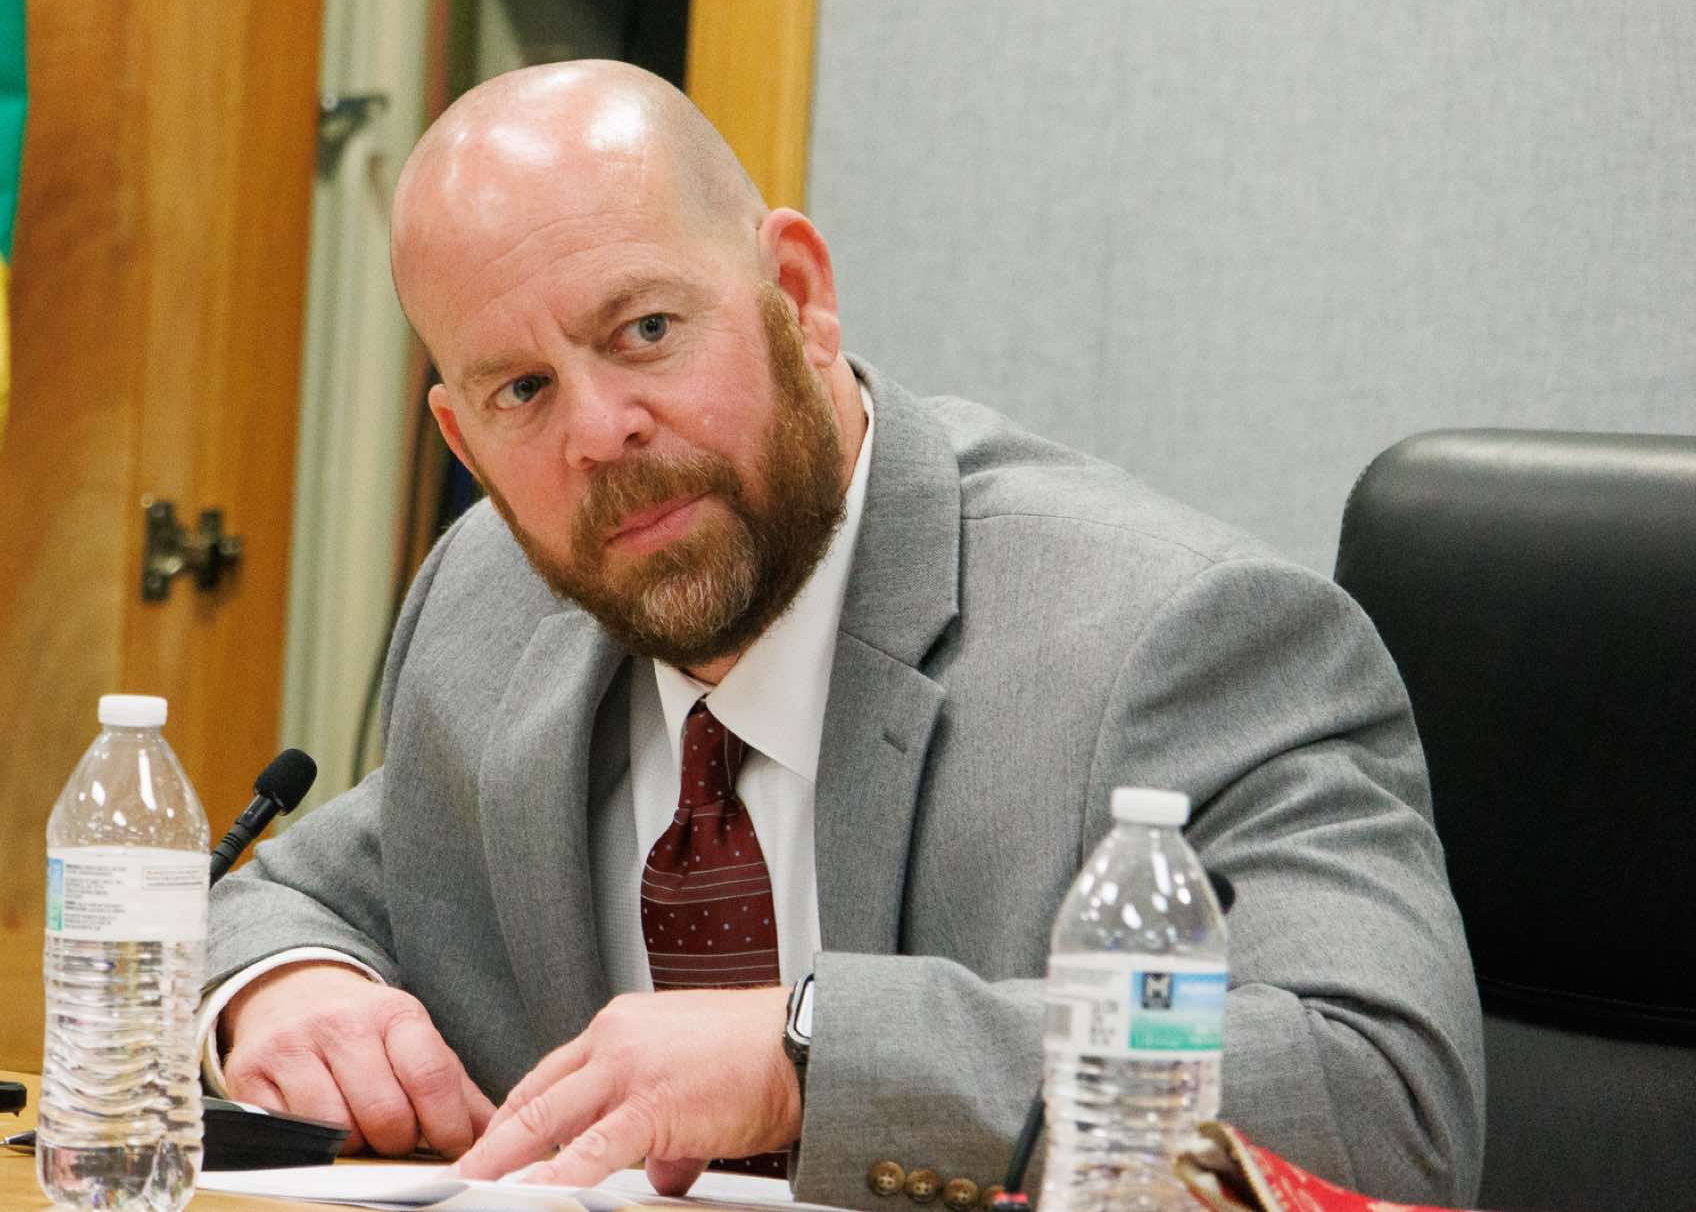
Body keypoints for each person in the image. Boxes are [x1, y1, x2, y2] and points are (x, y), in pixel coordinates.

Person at [201, 60, 1484, 1208]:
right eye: (522, 390)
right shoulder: (491, 602)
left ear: (798, 295)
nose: (597, 432)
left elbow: (1384, 1097)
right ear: (465, 443)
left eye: (645, 331)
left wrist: (804, 1057)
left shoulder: (1168, 636)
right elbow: (286, 897)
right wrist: (281, 989)